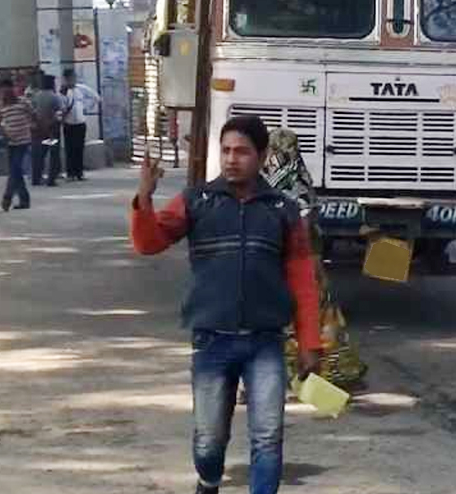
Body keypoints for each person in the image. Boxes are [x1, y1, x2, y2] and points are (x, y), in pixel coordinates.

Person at [130, 115, 321, 494]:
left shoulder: (282, 211)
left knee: (267, 437)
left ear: (262, 156)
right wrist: (145, 199)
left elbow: (302, 281)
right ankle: (209, 481)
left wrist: (309, 344)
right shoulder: (196, 201)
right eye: (226, 150)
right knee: (209, 441)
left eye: (242, 151)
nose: (232, 159)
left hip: (265, 342)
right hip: (212, 342)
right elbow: (148, 243)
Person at [264, 128, 367, 389]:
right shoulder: (300, 181)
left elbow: (305, 227)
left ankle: (281, 374)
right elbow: (309, 227)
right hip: (298, 263)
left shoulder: (264, 184)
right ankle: (323, 371)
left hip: (280, 265)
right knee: (315, 320)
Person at [0, 77, 33, 211]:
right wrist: (2, 132)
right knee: (16, 171)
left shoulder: (23, 102)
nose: (6, 94)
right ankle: (24, 200)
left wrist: (34, 126)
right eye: (3, 92)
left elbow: (33, 114)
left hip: (23, 141)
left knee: (15, 169)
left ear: (12, 89)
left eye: (8, 91)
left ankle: (7, 197)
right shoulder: (1, 106)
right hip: (10, 142)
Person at [59, 67, 100, 181]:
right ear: (65, 79)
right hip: (68, 123)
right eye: (69, 78)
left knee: (79, 148)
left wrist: (86, 108)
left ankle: (79, 172)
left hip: (80, 123)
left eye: (73, 77)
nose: (72, 80)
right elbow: (61, 107)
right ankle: (70, 173)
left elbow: (96, 97)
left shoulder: (81, 89)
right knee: (69, 149)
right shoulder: (63, 91)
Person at [30, 74, 62, 186]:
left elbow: (32, 113)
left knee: (39, 155)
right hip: (51, 131)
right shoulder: (55, 97)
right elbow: (58, 114)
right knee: (53, 154)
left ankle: (36, 178)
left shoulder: (35, 96)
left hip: (38, 131)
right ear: (52, 84)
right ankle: (51, 179)